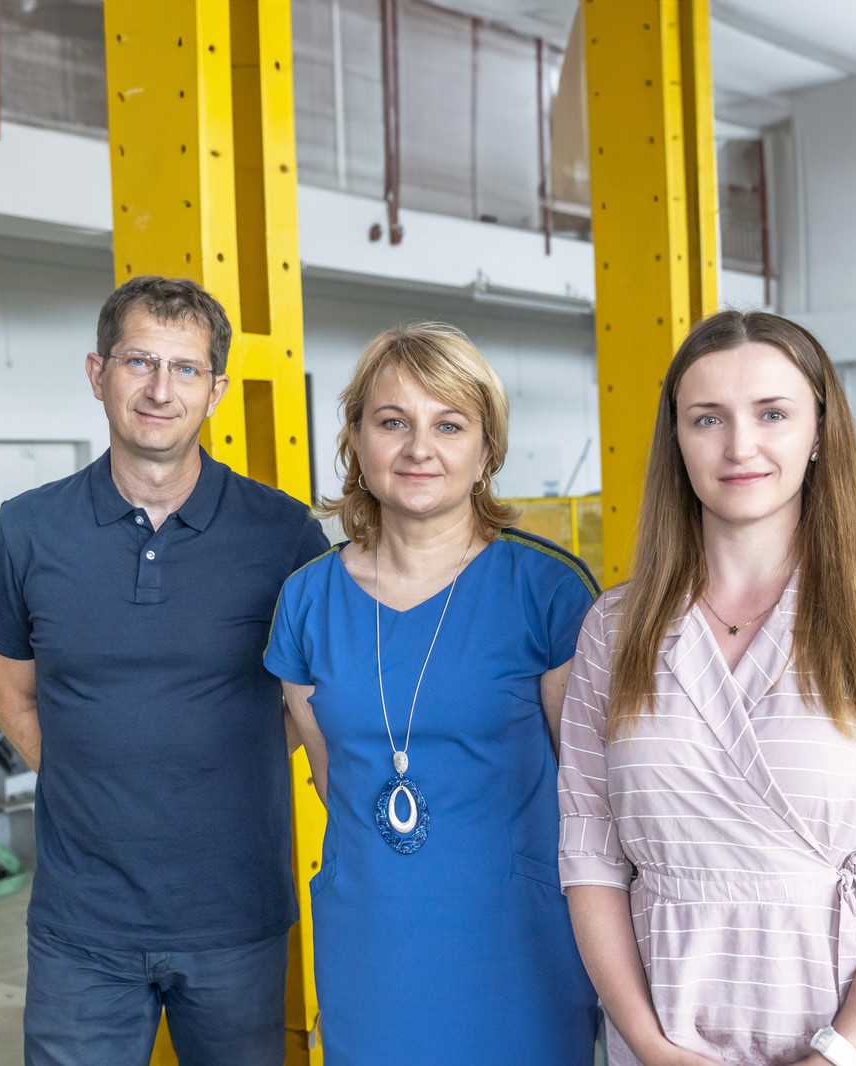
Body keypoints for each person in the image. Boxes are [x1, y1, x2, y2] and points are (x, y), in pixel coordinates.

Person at [557, 310, 856, 1066]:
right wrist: (647, 1043)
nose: (740, 446)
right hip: (667, 1034)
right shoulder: (615, 629)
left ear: (819, 433)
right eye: (708, 418)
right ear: (677, 439)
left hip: (849, 1037)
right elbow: (589, 858)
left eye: (772, 413)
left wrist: (838, 1054)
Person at [0, 276, 330, 1066]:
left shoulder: (284, 536)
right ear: (97, 373)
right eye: (139, 361)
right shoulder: (25, 532)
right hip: (80, 928)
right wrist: (97, 782)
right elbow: (12, 695)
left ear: (216, 390)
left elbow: (311, 703)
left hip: (235, 917)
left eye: (185, 368)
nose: (161, 390)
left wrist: (217, 768)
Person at [265, 324, 600, 1066]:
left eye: (449, 425)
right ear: (356, 441)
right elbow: (331, 779)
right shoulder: (307, 601)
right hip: (372, 945)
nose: (420, 448)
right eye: (393, 422)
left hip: (519, 943)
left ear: (486, 452)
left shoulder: (547, 592)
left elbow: (592, 795)